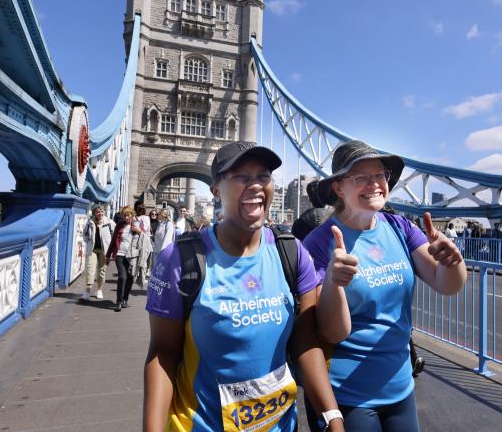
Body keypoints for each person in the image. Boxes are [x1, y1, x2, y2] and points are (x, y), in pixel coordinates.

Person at [144, 141, 345, 431]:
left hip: (281, 425)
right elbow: (163, 354)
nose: (255, 185)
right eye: (241, 177)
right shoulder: (180, 259)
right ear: (215, 190)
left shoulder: (291, 253)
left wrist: (332, 416)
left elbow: (306, 343)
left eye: (263, 176)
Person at [303, 140, 467, 432]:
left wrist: (452, 262)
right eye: (361, 177)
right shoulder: (318, 243)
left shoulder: (399, 227)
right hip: (348, 394)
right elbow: (332, 332)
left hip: (400, 385)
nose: (375, 184)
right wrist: (333, 282)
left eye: (380, 175)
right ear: (339, 188)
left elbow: (446, 285)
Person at [106, 206, 145, 312]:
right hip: (120, 254)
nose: (126, 217)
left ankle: (125, 299)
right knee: (122, 277)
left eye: (128, 215)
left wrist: (139, 231)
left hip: (132, 256)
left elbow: (145, 238)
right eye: (125, 215)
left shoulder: (137, 224)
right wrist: (108, 255)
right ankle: (118, 302)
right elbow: (114, 240)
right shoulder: (119, 225)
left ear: (132, 215)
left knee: (130, 278)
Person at [82, 205, 115, 301]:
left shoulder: (109, 223)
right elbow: (84, 234)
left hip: (104, 251)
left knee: (101, 271)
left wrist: (111, 249)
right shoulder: (90, 222)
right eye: (98, 212)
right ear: (94, 213)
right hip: (92, 249)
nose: (100, 213)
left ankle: (99, 290)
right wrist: (88, 242)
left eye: (102, 211)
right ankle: (87, 292)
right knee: (90, 269)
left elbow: (115, 236)